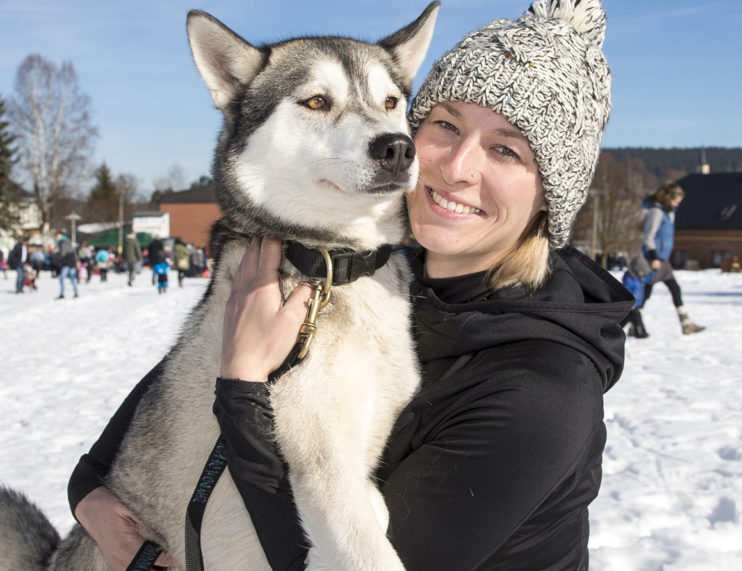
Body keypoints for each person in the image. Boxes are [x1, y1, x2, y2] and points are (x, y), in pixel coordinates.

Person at [68, 1, 634, 568]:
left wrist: (242, 386)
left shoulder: (541, 390)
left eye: (506, 150)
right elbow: (171, 391)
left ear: (549, 196)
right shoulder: (382, 272)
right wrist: (89, 492)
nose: (457, 165)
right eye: (444, 125)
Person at [640, 180, 705, 335]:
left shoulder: (669, 213)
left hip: (663, 260)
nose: (677, 205)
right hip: (653, 259)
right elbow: (649, 236)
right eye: (676, 201)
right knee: (645, 293)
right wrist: (653, 257)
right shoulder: (656, 212)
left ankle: (685, 323)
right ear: (668, 198)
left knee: (674, 289)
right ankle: (634, 323)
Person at [622, 255, 655, 338]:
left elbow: (647, 278)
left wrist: (654, 271)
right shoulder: (628, 279)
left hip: (635, 304)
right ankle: (640, 332)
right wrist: (630, 302)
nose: (643, 274)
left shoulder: (639, 278)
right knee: (636, 318)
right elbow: (627, 291)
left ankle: (638, 331)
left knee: (628, 319)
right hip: (631, 305)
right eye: (642, 272)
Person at [56, 232, 79, 299]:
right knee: (72, 278)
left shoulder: (62, 242)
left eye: (58, 236)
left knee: (62, 278)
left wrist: (59, 258)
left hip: (66, 262)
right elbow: (74, 252)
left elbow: (63, 253)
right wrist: (77, 261)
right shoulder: (69, 241)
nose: (57, 237)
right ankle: (76, 292)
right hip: (72, 262)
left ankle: (62, 293)